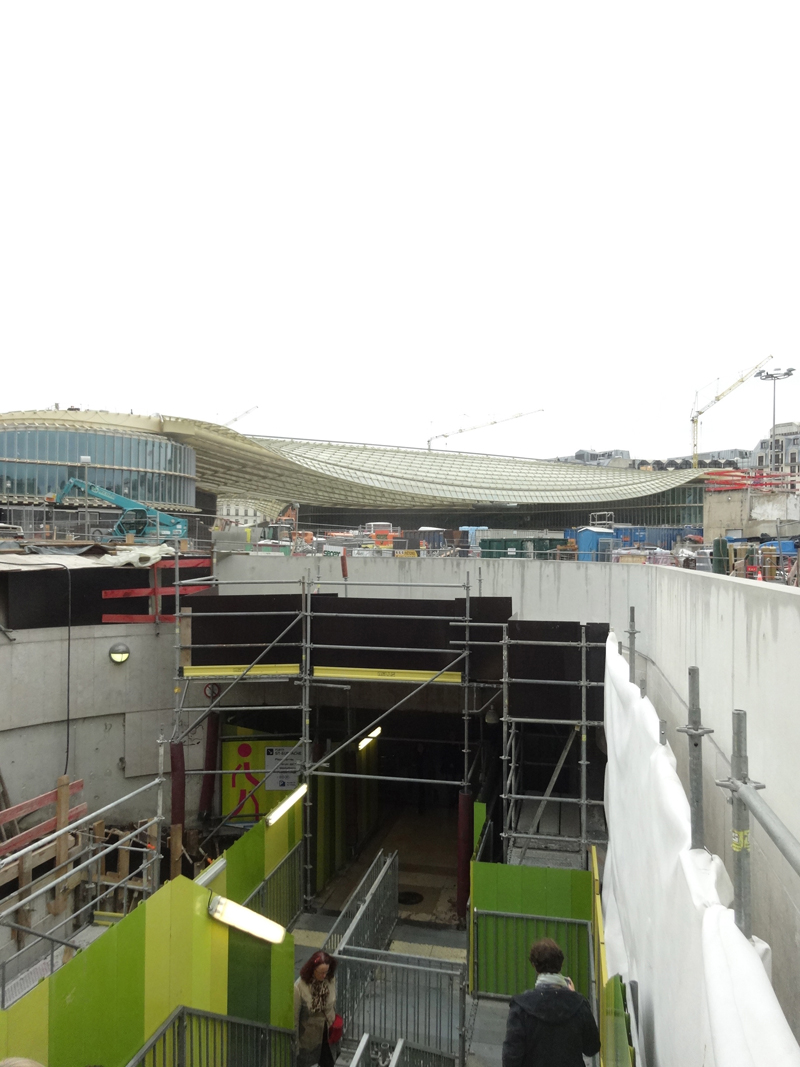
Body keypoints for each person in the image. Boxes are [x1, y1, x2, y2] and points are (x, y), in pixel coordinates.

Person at [501, 938, 600, 1067]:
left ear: (535, 966)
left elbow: (511, 1058)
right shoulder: (579, 1004)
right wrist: (573, 995)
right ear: (560, 965)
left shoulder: (521, 1007)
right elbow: (592, 1048)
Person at [294, 950, 338, 1067]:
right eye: (321, 972)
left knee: (329, 1062)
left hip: (328, 1033)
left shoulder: (329, 979)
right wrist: (295, 1046)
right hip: (309, 1039)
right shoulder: (299, 988)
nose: (324, 976)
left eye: (326, 972)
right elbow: (295, 1019)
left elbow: (332, 1003)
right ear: (312, 970)